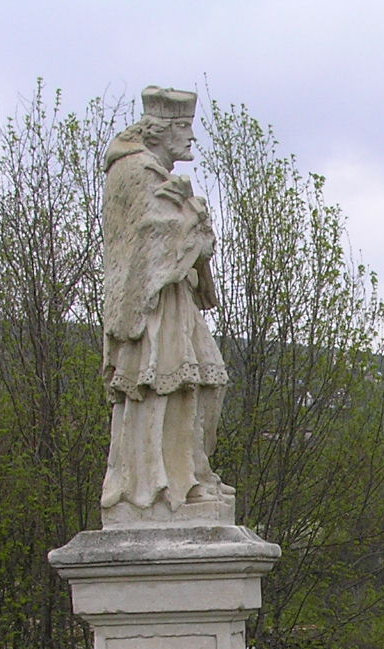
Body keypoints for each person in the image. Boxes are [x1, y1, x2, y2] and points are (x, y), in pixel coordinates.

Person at [99, 86, 231, 517]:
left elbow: (178, 231)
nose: (190, 137)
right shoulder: (134, 171)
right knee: (162, 383)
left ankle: (190, 473)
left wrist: (192, 222)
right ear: (161, 130)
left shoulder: (157, 173)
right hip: (151, 306)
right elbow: (145, 236)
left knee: (207, 382)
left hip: (175, 297)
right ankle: (160, 485)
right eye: (183, 127)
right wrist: (192, 223)